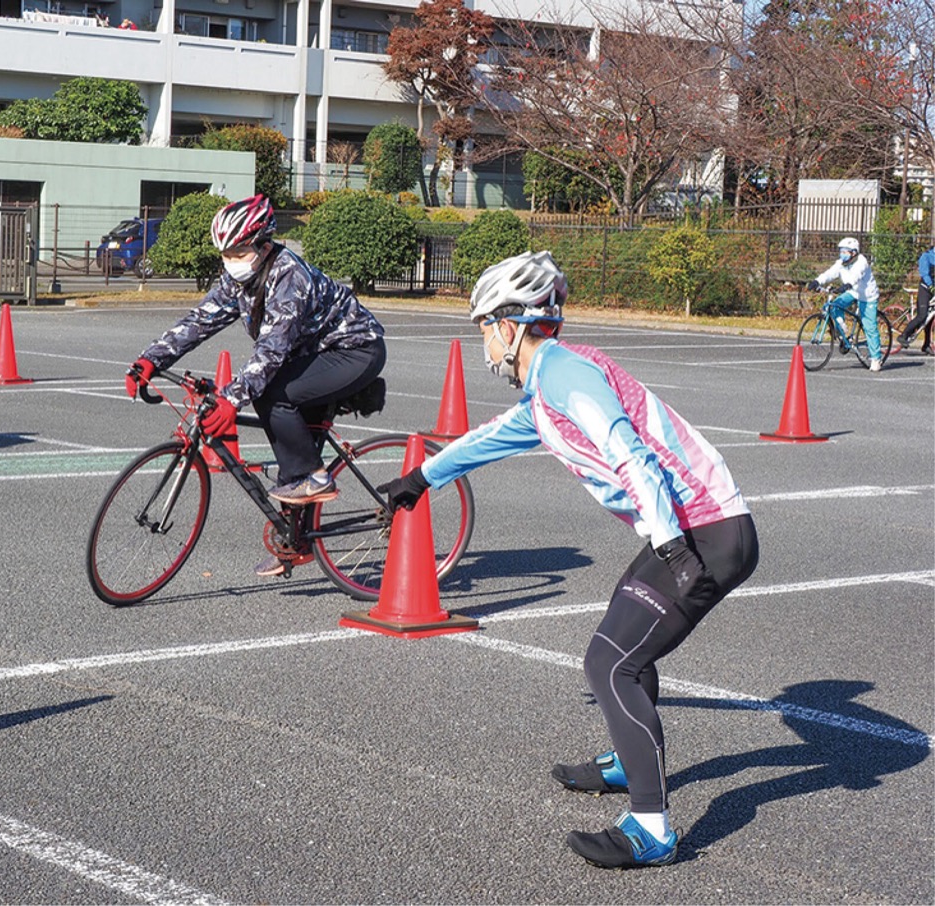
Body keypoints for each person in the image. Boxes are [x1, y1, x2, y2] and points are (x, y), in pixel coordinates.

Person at [379, 251, 759, 870]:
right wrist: (422, 478)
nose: (482, 340)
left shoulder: (563, 375)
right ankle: (625, 759)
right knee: (624, 629)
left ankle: (652, 828)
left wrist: (668, 544)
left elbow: (628, 452)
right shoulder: (547, 385)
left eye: (483, 325)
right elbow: (494, 436)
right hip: (695, 526)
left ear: (510, 324)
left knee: (611, 665)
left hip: (704, 532)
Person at [127, 194, 387, 576]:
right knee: (282, 428)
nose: (231, 260)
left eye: (238, 251)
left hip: (355, 350)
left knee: (274, 395)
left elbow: (270, 352)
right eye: (225, 253)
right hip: (311, 356)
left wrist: (230, 400)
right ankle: (295, 539)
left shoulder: (289, 277)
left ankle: (314, 477)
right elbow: (201, 320)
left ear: (264, 246)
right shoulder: (238, 279)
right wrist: (151, 359)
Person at [807, 237, 883, 371]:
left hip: (867, 296)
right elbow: (830, 273)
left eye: (845, 251)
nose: (842, 253)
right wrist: (817, 281)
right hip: (853, 292)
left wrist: (847, 285)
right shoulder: (841, 263)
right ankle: (843, 330)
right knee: (833, 306)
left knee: (869, 326)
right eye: (841, 251)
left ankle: (876, 358)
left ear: (853, 252)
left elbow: (856, 276)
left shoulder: (861, 262)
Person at [896, 243, 933, 355]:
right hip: (925, 289)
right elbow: (924, 273)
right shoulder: (926, 256)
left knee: (930, 319)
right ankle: (904, 335)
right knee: (922, 315)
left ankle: (926, 345)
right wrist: (931, 285)